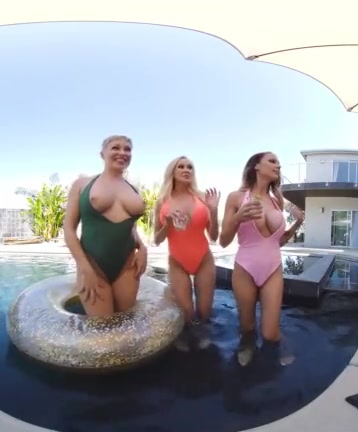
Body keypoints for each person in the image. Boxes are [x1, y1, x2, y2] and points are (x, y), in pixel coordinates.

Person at [219, 152, 305, 366]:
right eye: (272, 161)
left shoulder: (277, 201)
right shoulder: (236, 198)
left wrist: (297, 223)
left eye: (279, 162)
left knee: (270, 332)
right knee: (247, 326)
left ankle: (279, 343)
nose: (278, 165)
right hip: (245, 268)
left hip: (273, 268)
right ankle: (247, 344)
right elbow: (223, 241)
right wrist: (239, 217)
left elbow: (278, 242)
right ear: (256, 166)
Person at [63, 135, 148, 316]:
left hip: (127, 264)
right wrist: (84, 268)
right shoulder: (82, 184)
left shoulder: (132, 189)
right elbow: (69, 229)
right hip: (93, 264)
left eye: (127, 149)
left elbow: (130, 226)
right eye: (116, 147)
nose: (122, 152)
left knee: (125, 320)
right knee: (102, 327)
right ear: (102, 154)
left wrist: (142, 247)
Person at [153, 156, 221, 351]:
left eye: (190, 167)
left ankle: (203, 336)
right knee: (187, 314)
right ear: (172, 172)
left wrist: (213, 211)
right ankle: (183, 335)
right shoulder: (162, 202)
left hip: (203, 259)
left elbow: (213, 236)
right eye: (181, 166)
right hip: (177, 262)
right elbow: (157, 240)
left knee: (205, 313)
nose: (186, 170)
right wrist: (168, 223)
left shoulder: (203, 198)